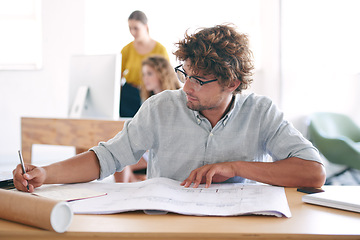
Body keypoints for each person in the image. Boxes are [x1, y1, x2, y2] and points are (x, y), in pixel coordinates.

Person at [13, 24, 326, 193]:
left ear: (231, 84)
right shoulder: (161, 106)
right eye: (185, 73)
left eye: (200, 81)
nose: (186, 87)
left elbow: (313, 173)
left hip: (238, 227)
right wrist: (47, 172)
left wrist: (235, 167)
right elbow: (107, 157)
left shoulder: (261, 112)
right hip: (168, 224)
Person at [114, 55, 181, 182]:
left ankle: (132, 185)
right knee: (120, 158)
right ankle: (132, 185)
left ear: (162, 74)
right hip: (149, 148)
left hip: (167, 150)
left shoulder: (176, 98)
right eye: (144, 74)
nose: (145, 79)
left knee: (123, 160)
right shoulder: (148, 100)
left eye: (149, 74)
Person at [120, 10, 169, 117]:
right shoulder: (126, 50)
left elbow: (167, 77)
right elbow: (118, 75)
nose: (132, 32)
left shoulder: (160, 50)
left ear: (145, 26)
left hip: (151, 94)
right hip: (129, 94)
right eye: (130, 28)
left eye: (136, 28)